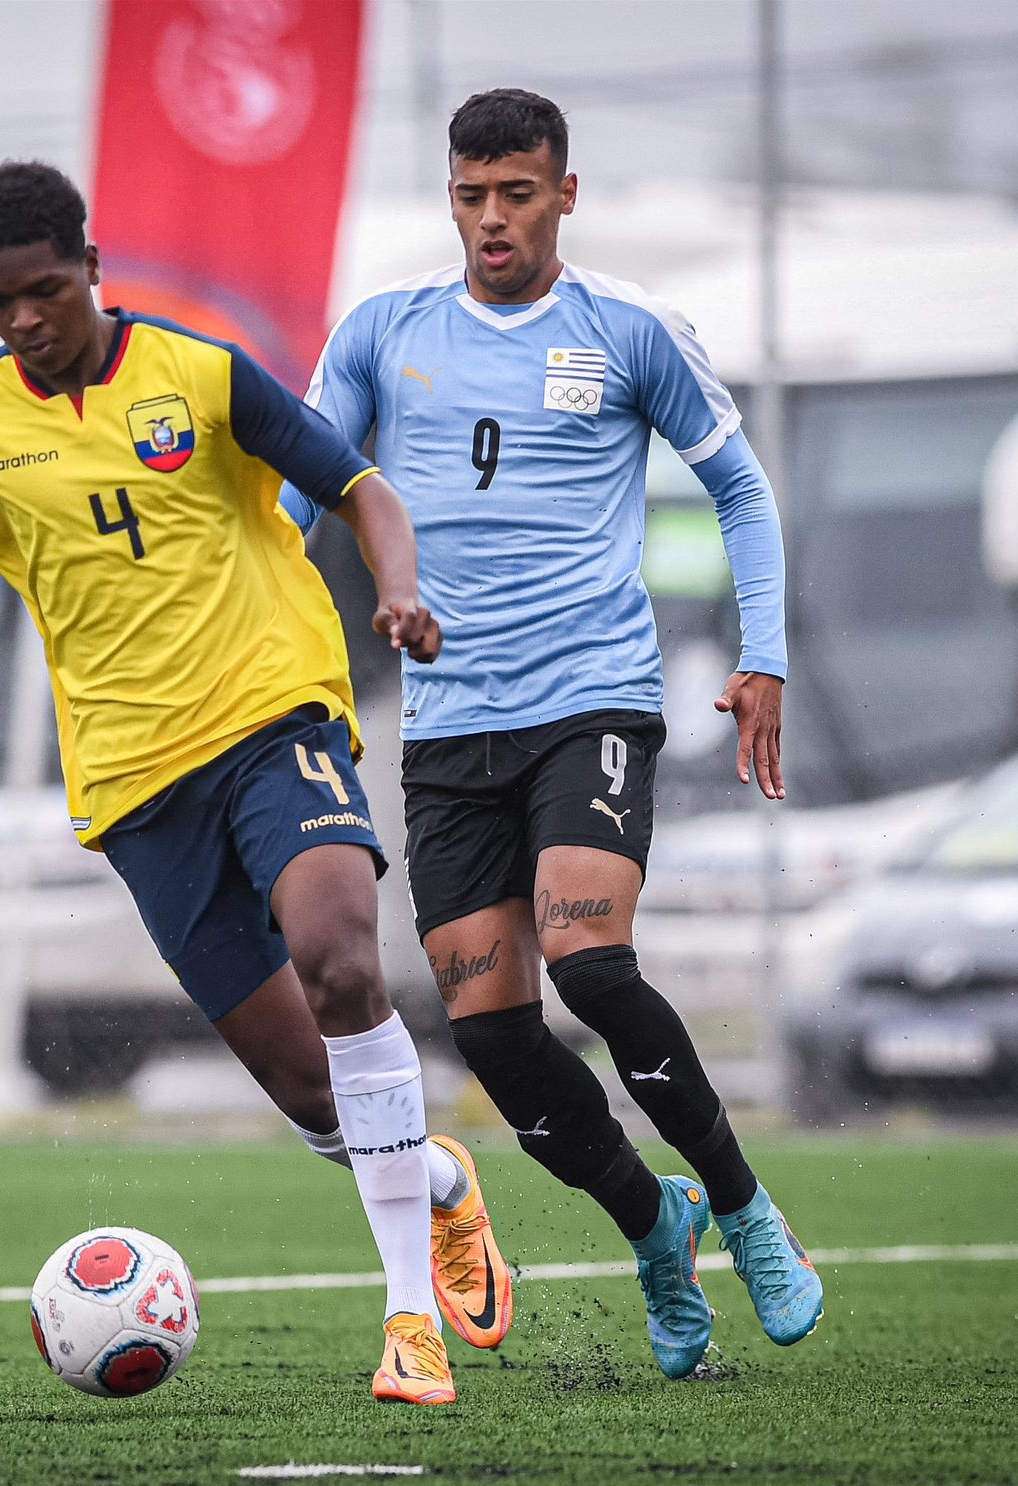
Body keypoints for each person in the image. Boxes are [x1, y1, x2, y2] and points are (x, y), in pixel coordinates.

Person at [0, 161, 509, 1406]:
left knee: (341, 957)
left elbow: (361, 486)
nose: (25, 318)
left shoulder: (201, 374)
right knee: (306, 1087)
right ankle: (439, 1185)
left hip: (272, 710)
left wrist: (397, 590)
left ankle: (408, 1320)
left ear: (91, 267)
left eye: (44, 289)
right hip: (133, 786)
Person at [282, 90, 823, 1379]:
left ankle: (744, 1208)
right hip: (450, 730)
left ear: (562, 195)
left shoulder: (629, 329)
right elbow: (297, 506)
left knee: (588, 963)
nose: (489, 221)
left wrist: (763, 657)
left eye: (514, 194)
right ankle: (654, 1226)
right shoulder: (380, 332)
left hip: (591, 698)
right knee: (492, 1031)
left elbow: (739, 489)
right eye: (469, 196)